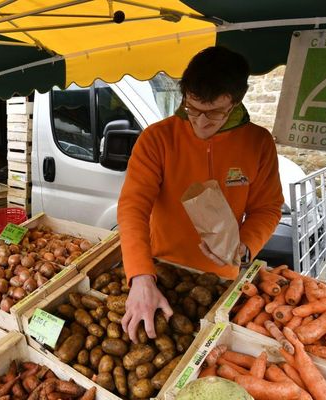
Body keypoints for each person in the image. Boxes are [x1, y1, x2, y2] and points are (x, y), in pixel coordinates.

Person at [117, 46, 284, 343]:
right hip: (160, 268)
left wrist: (244, 248)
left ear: (237, 101)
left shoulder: (258, 142)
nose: (201, 122)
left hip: (224, 277)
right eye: (192, 109)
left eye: (215, 112)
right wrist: (140, 274)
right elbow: (133, 207)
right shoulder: (157, 138)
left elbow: (268, 208)